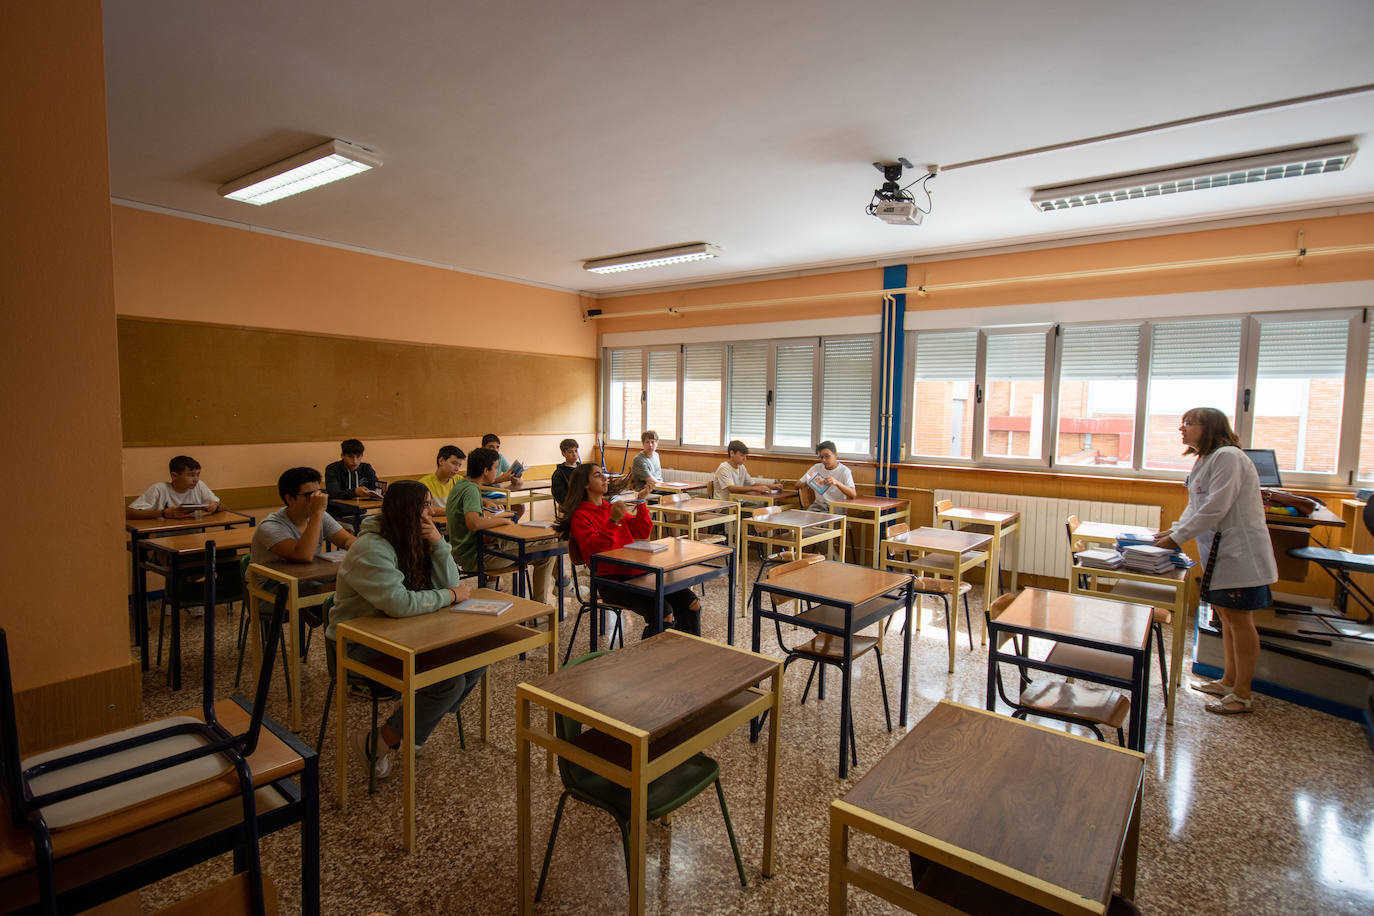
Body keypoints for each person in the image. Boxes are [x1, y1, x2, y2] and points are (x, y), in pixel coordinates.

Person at [327, 481, 478, 779]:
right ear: (405, 510)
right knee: (448, 683)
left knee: (475, 658)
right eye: (423, 506)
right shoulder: (371, 547)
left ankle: (412, 724)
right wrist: (450, 596)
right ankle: (379, 741)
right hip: (357, 646)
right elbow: (400, 604)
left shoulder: (415, 535)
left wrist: (438, 543)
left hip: (405, 634)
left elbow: (451, 584)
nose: (429, 512)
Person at [1154, 407, 1276, 716]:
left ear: (1209, 428)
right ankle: (1228, 680)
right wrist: (1174, 530)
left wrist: (1178, 538)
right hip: (1221, 553)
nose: (1182, 429)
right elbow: (1196, 505)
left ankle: (1242, 694)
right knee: (1225, 615)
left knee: (1239, 620)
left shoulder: (1228, 457)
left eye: (1189, 424)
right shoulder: (1206, 459)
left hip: (1240, 553)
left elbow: (1216, 506)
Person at [554, 463, 701, 637]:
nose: (604, 478)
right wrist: (613, 522)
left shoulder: (609, 508)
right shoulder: (581, 516)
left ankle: (685, 653)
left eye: (603, 474)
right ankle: (650, 662)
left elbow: (642, 531)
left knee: (691, 602)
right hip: (611, 581)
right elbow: (594, 553)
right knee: (664, 613)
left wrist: (641, 501)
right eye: (597, 475)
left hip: (637, 573)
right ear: (585, 484)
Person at [448, 448, 555, 603]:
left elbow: (471, 513)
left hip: (464, 553)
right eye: (496, 468)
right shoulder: (471, 490)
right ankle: (543, 604)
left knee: (548, 547)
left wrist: (485, 504)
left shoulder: (461, 484)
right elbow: (474, 523)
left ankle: (554, 592)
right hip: (477, 557)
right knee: (549, 547)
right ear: (486, 470)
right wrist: (502, 520)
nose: (497, 472)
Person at [249, 467, 357, 589]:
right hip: (272, 588)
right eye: (310, 495)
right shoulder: (270, 526)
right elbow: (304, 555)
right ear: (289, 499)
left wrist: (359, 548)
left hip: (305, 578)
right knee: (334, 595)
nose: (317, 500)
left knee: (349, 585)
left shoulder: (320, 516)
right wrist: (317, 512)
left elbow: (346, 540)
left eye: (319, 493)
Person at [126, 455, 221, 519]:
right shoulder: (159, 489)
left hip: (195, 535)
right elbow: (129, 513)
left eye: (198, 474)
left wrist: (216, 506)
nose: (196, 479)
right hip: (165, 538)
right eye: (191, 475)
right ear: (174, 476)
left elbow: (222, 506)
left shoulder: (199, 485)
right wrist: (163, 513)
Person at [798, 440, 857, 512]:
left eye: (827, 456)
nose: (824, 460)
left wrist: (836, 483)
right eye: (821, 457)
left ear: (835, 455)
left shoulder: (844, 471)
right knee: (805, 518)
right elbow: (797, 485)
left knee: (824, 520)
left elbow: (853, 494)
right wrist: (809, 481)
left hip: (835, 508)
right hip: (818, 506)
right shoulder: (816, 467)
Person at [481, 434, 525, 520]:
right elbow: (476, 482)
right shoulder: (478, 459)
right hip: (480, 495)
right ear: (483, 447)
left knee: (519, 506)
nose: (495, 450)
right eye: (491, 447)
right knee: (495, 510)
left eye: (497, 447)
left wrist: (516, 479)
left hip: (496, 494)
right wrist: (501, 479)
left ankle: (509, 528)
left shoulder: (500, 457)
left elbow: (517, 479)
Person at [418, 445, 465, 519]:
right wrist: (455, 511)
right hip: (437, 525)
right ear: (441, 461)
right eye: (454, 463)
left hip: (456, 522)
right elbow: (423, 509)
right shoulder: (423, 484)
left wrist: (484, 502)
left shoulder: (459, 480)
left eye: (459, 465)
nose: (457, 469)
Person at [551, 438, 580, 505]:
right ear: (563, 453)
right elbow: (560, 497)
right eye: (570, 452)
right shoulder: (559, 474)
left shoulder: (583, 469)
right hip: (570, 505)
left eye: (576, 451)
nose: (574, 454)